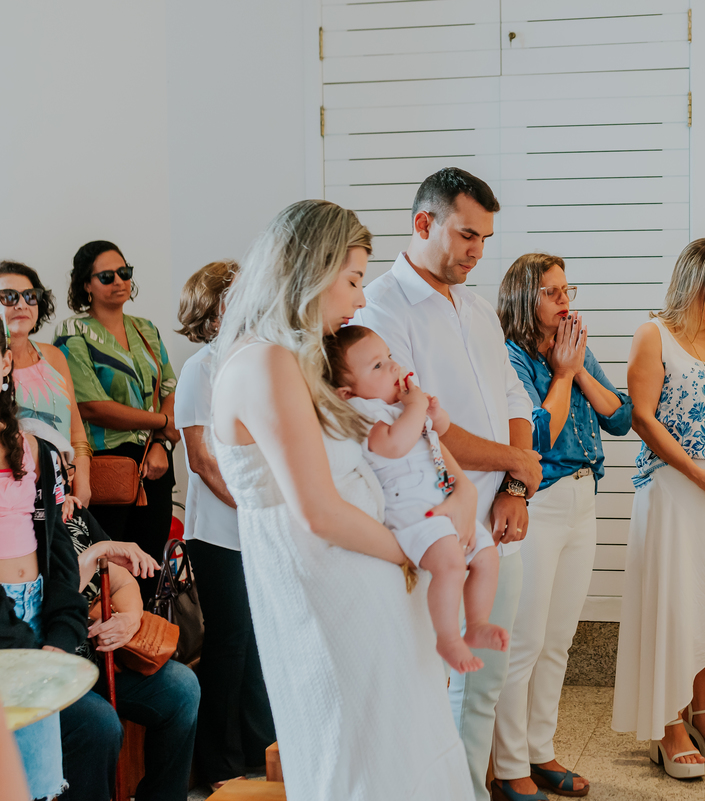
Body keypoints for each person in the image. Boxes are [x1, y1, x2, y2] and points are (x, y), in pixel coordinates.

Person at [209, 199, 475, 799]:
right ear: (311, 269)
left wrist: (453, 498)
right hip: (333, 587)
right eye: (353, 279)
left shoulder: (297, 360)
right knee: (365, 758)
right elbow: (318, 511)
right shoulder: (267, 362)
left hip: (369, 573)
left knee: (401, 745)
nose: (360, 299)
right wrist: (412, 550)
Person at [353, 167, 541, 801]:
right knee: (434, 682)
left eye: (485, 238)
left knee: (484, 678)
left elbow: (515, 397)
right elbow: (424, 424)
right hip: (435, 523)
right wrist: (515, 464)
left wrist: (516, 487)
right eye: (466, 235)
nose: (477, 252)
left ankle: (471, 790)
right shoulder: (382, 307)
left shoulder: (479, 307)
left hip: (500, 519)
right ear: (424, 223)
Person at [612, 238, 705, 780]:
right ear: (688, 281)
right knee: (677, 603)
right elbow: (644, 419)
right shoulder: (653, 335)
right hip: (676, 492)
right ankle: (670, 722)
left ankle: (703, 711)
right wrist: (697, 472)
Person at [492, 254, 632, 799]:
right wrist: (564, 373)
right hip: (537, 502)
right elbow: (538, 434)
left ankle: (539, 750)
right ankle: (509, 767)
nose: (565, 301)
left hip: (582, 498)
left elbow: (618, 418)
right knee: (524, 641)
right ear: (527, 300)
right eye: (553, 293)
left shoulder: (574, 347)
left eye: (566, 290)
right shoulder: (511, 357)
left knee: (558, 640)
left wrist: (575, 367)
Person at [325, 325, 507, 673]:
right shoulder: (364, 413)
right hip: (412, 509)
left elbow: (436, 434)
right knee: (451, 565)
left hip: (440, 501)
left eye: (389, 358)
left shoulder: (398, 407)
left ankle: (477, 621)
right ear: (346, 393)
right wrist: (415, 408)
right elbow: (393, 445)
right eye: (377, 366)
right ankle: (448, 638)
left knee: (486, 556)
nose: (393, 367)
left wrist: (434, 416)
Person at [174, 260, 276, 789]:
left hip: (260, 526)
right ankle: (219, 765)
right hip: (218, 531)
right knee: (230, 644)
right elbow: (203, 461)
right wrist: (256, 506)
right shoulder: (200, 368)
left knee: (260, 643)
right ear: (211, 310)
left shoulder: (255, 360)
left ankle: (262, 754)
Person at [54, 241, 179, 601]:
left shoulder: (147, 329)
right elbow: (91, 405)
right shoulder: (72, 333)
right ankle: (110, 653)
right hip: (105, 468)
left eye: (124, 273)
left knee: (149, 567)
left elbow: (170, 387)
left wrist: (161, 443)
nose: (119, 281)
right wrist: (163, 423)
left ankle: (146, 651)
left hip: (152, 465)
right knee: (110, 573)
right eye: (107, 276)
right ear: (85, 285)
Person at [0, 319, 89, 801]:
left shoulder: (39, 453)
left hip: (38, 620)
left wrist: (60, 635)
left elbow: (59, 560)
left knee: (41, 783)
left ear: (5, 362)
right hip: (3, 629)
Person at [64, 507, 200, 801]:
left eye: (66, 471)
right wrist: (95, 553)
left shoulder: (78, 519)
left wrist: (129, 618)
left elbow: (123, 581)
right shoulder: (21, 531)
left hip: (102, 659)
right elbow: (54, 600)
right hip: (58, 675)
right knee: (99, 723)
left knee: (182, 688)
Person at [0, 261, 91, 504]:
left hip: (64, 496)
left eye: (30, 296)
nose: (21, 304)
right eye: (8, 297)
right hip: (11, 497)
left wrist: (82, 485)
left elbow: (77, 432)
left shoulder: (53, 356)